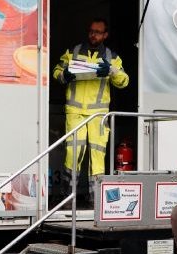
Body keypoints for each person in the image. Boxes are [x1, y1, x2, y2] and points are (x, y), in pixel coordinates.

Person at [52, 18, 129, 200]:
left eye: (98, 32)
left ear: (105, 35)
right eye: (91, 31)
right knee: (73, 153)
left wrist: (111, 71)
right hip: (75, 111)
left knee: (97, 156)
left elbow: (124, 81)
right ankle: (67, 198)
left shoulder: (112, 57)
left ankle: (96, 201)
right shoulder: (74, 51)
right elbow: (56, 71)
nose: (93, 34)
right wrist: (65, 75)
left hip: (98, 114)